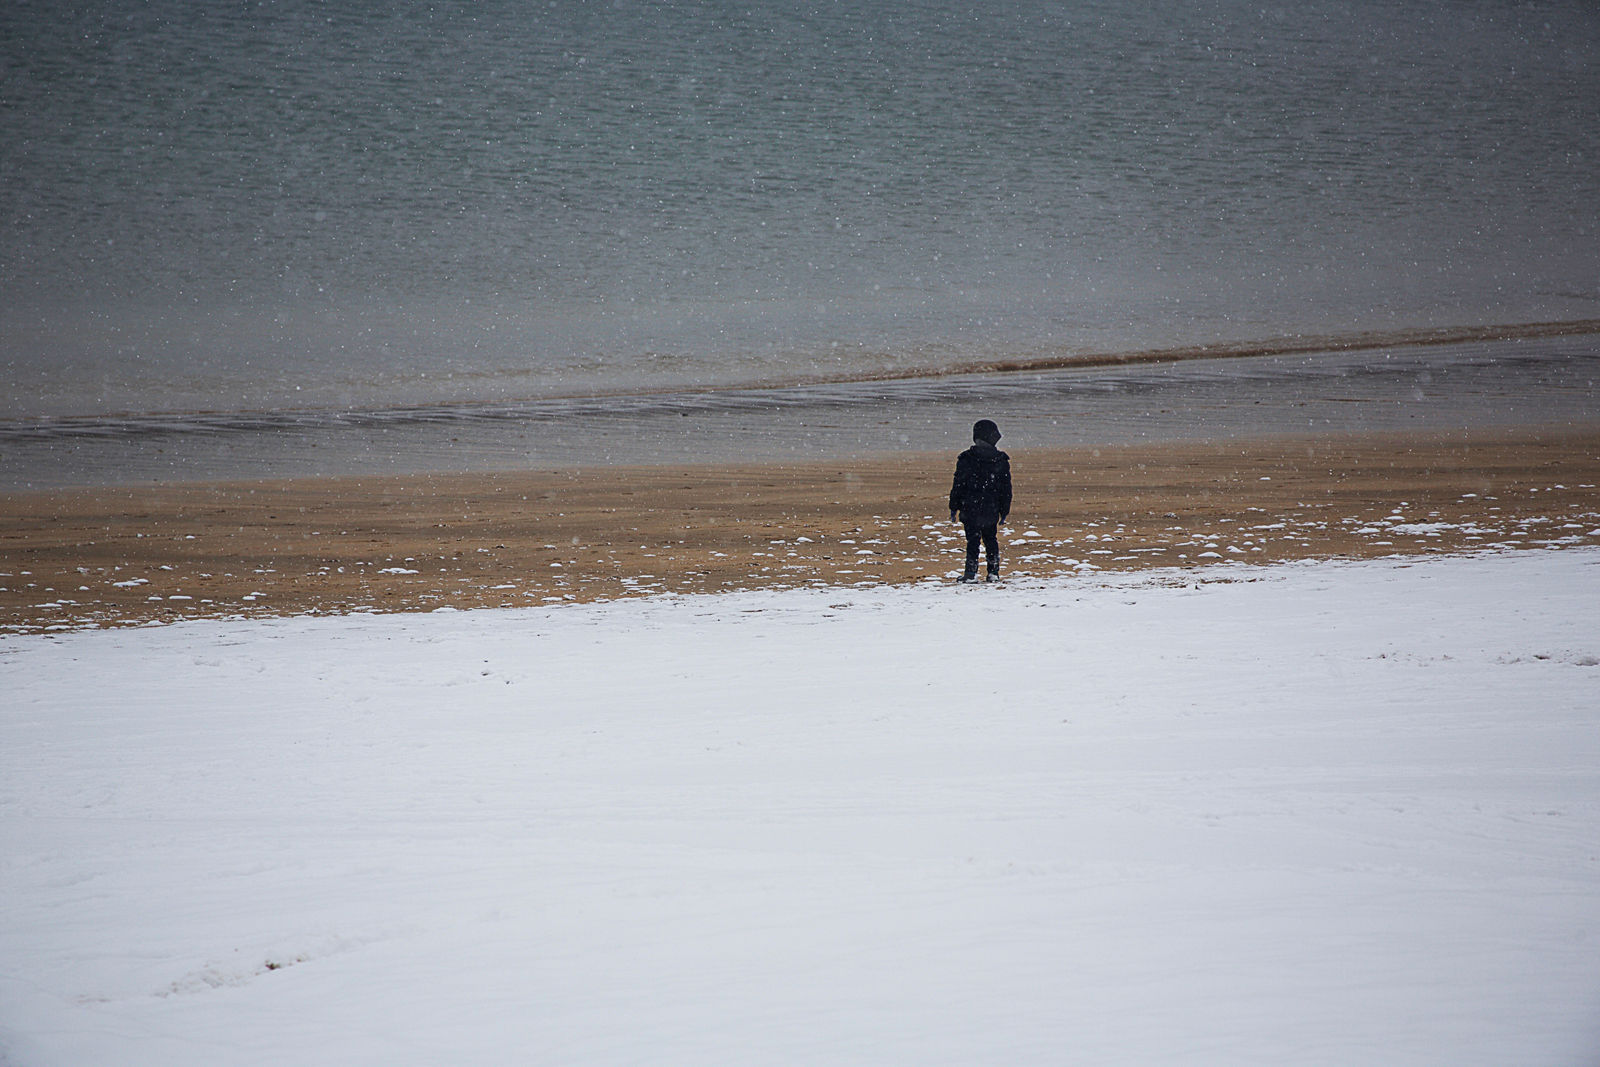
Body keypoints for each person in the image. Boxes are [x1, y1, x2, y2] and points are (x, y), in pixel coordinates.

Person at [948, 419, 1012, 582]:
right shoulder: (1001, 460)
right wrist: (1004, 510)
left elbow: (958, 484)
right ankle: (993, 573)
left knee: (973, 541)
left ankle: (970, 574)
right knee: (991, 540)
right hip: (991, 507)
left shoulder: (966, 459)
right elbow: (1006, 489)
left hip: (970, 507)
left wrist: (954, 506)